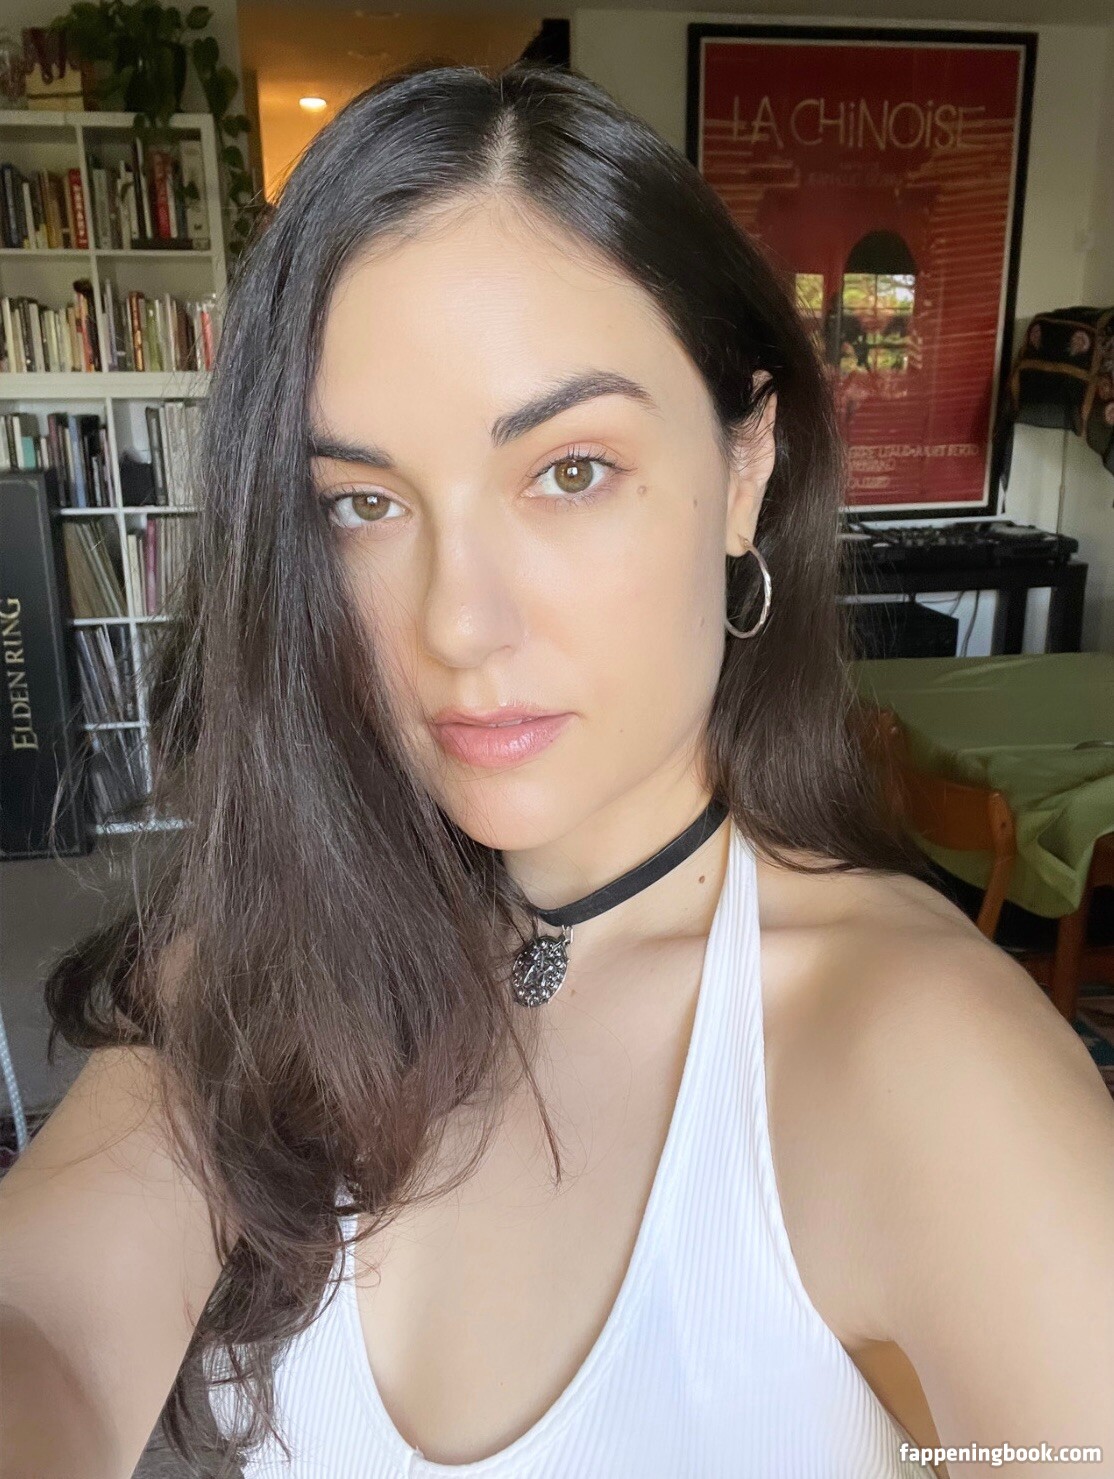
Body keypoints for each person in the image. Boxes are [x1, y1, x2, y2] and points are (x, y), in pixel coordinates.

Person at [1, 60, 1112, 1479]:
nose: (458, 625)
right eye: (362, 502)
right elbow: (46, 1324)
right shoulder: (269, 950)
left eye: (570, 470)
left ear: (745, 466)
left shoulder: (930, 1065)